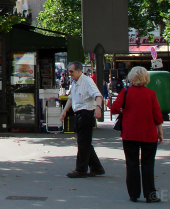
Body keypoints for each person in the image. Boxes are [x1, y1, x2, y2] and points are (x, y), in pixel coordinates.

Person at [111, 66, 163, 203]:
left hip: (130, 133)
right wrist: (160, 132)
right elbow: (157, 114)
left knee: (132, 163)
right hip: (149, 133)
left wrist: (124, 111)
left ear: (131, 77)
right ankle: (150, 195)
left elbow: (115, 108)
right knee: (148, 164)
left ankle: (133, 194)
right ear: (146, 78)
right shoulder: (151, 93)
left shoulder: (125, 92)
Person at [59, 61, 105, 178]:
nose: (70, 74)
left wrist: (98, 108)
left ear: (79, 71)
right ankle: (96, 167)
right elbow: (71, 98)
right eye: (69, 71)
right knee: (84, 142)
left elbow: (98, 95)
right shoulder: (74, 82)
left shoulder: (87, 81)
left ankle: (81, 169)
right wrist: (64, 111)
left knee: (83, 142)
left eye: (71, 71)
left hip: (86, 113)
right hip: (79, 113)